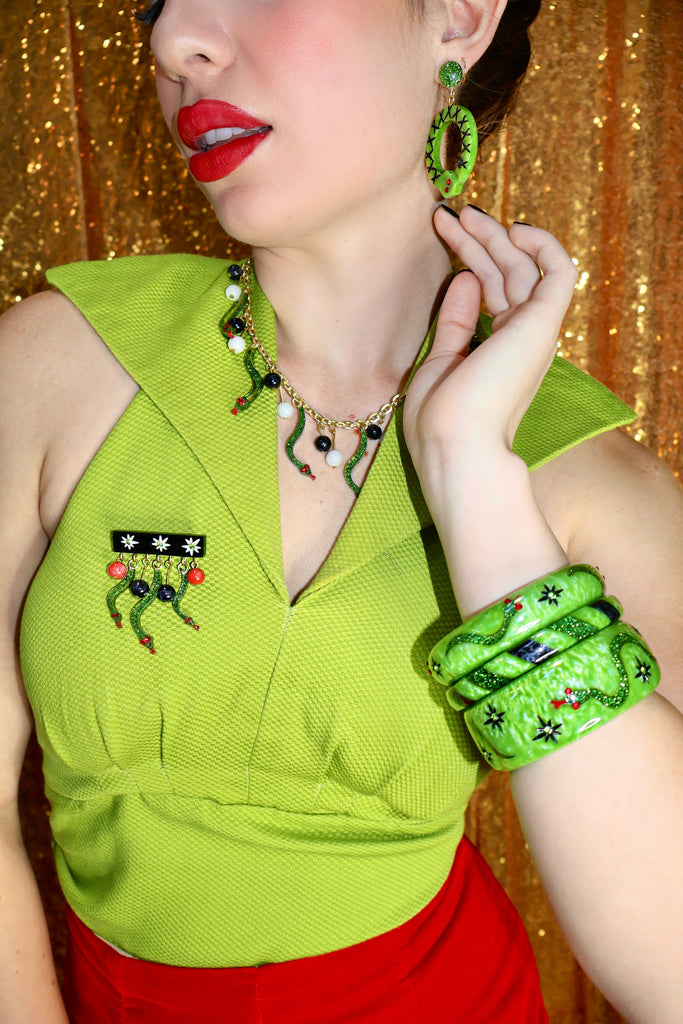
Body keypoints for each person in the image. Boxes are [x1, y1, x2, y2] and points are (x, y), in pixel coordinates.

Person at [1, 0, 682, 1021]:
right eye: (155, 0)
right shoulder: (54, 363)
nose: (173, 39)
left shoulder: (590, 480)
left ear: (459, 16)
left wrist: (475, 481)